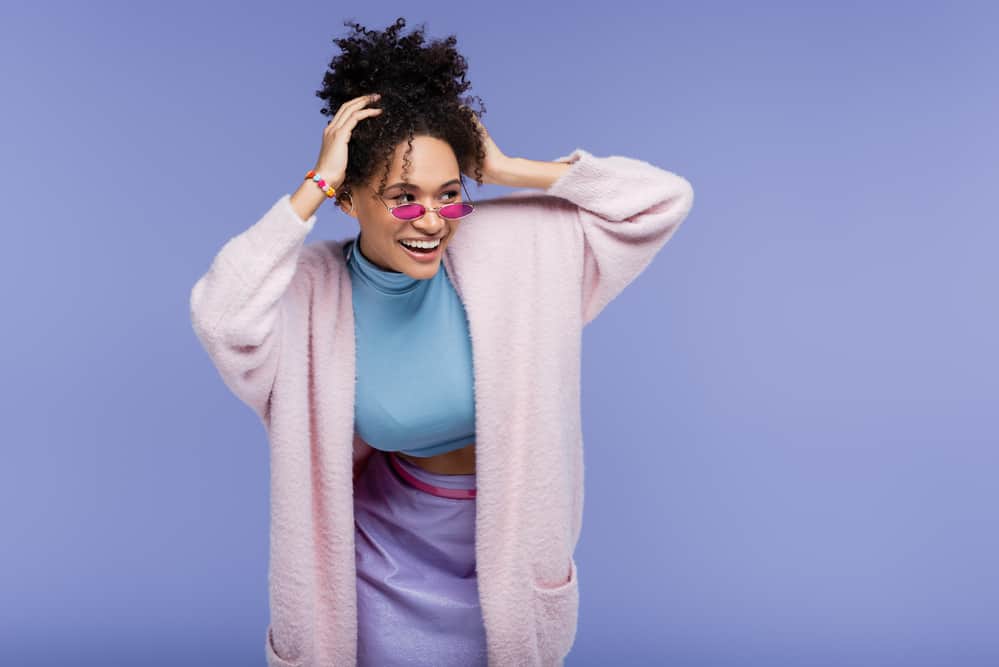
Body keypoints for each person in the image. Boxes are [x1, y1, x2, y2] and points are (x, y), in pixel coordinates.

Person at [189, 16, 695, 667]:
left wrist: (511, 168)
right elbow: (221, 315)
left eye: (449, 194)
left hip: (508, 565)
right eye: (402, 198)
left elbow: (661, 200)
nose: (432, 220)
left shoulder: (516, 249)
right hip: (375, 567)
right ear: (351, 199)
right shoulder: (310, 294)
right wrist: (312, 186)